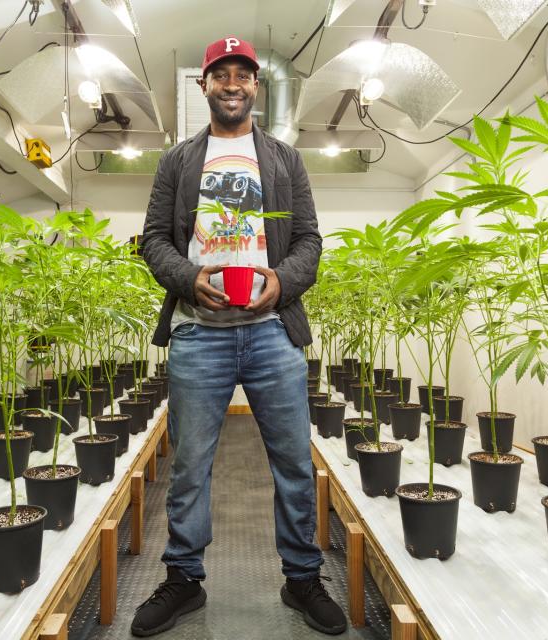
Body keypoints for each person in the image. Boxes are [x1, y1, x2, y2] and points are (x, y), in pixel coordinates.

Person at [134, 36, 347, 637]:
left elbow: (309, 241)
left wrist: (281, 283)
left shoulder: (283, 159)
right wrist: (186, 276)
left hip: (272, 333)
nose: (232, 84)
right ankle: (183, 579)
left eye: (243, 75)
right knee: (190, 466)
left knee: (293, 463)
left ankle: (302, 576)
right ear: (203, 86)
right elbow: (153, 238)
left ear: (256, 87)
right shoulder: (178, 161)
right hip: (199, 335)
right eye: (220, 74)